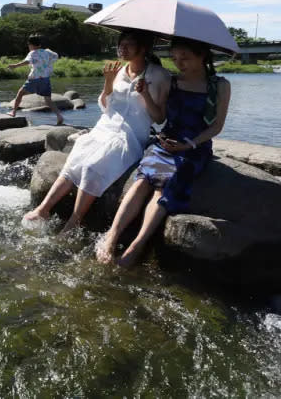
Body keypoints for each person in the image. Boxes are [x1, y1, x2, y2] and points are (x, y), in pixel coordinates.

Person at [97, 37, 231, 267]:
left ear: (203, 56)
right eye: (175, 58)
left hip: (194, 147)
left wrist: (188, 145)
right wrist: (146, 95)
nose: (179, 63)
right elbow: (159, 118)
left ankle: (135, 247)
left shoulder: (219, 85)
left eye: (185, 58)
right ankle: (111, 238)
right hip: (166, 141)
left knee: (162, 187)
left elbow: (216, 126)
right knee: (141, 181)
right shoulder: (173, 82)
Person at [23, 31, 171, 233]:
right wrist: (109, 82)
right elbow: (104, 105)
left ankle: (75, 221)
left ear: (143, 48)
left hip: (131, 134)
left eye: (128, 45)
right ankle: (43, 209)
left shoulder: (160, 76)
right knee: (77, 159)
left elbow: (160, 118)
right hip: (105, 127)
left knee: (92, 166)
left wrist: (144, 93)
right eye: (121, 44)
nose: (122, 49)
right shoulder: (118, 70)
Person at [7, 34, 63, 125]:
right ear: (39, 44)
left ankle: (13, 112)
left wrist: (15, 65)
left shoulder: (32, 53)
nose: (28, 46)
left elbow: (27, 62)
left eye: (29, 45)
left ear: (31, 45)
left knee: (20, 93)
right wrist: (48, 50)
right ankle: (59, 116)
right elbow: (56, 55)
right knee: (48, 100)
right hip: (45, 79)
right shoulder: (46, 52)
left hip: (34, 78)